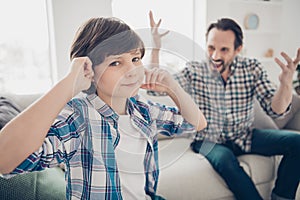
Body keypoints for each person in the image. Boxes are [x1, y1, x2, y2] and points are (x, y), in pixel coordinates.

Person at [0, 17, 207, 200]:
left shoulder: (143, 111)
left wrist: (173, 87)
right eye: (116, 63)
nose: (132, 70)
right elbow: (5, 161)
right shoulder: (77, 117)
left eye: (135, 59)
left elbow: (196, 123)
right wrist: (68, 84)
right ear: (88, 69)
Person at [149, 11, 300, 200]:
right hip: (207, 140)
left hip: (244, 135)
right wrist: (156, 48)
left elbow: (276, 110)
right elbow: (157, 89)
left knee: (297, 142)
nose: (214, 56)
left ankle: (282, 197)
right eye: (211, 47)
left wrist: (286, 84)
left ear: (238, 49)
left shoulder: (252, 68)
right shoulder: (195, 71)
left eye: (224, 50)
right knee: (226, 160)